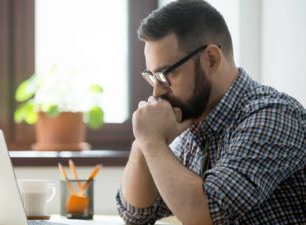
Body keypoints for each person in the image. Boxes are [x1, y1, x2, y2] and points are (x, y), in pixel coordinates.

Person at [116, 0, 306, 224]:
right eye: (153, 77)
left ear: (211, 59)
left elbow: (207, 215)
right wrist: (142, 143)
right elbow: (137, 214)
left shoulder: (273, 116)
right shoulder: (192, 125)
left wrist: (152, 141)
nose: (157, 91)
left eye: (167, 74)